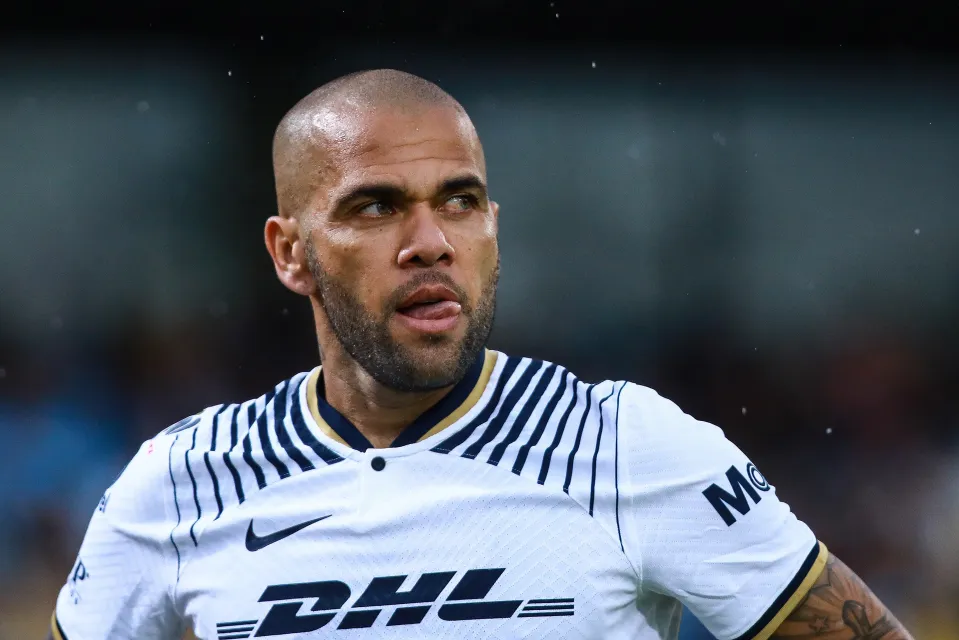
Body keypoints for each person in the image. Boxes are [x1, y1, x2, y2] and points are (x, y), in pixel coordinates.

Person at [49, 69, 915, 640]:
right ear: (289, 252)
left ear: (491, 226)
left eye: (459, 201)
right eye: (375, 207)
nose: (429, 241)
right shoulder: (178, 482)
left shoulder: (629, 447)